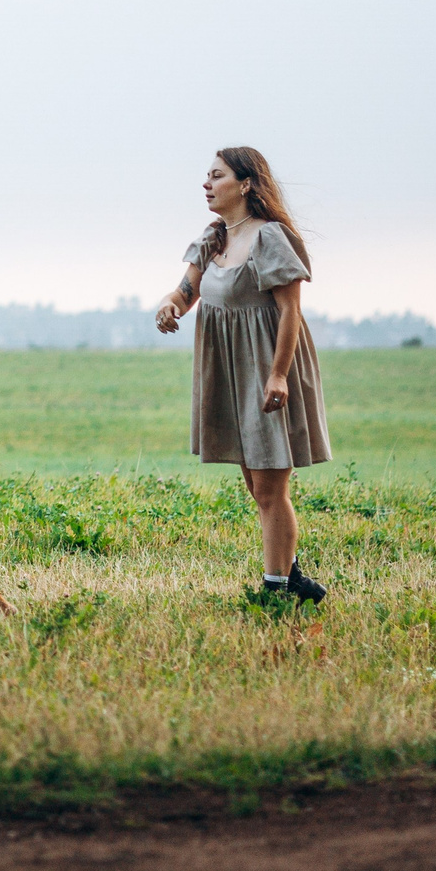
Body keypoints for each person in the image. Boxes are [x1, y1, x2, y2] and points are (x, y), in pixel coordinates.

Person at [155, 146, 331, 602]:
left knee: (271, 485)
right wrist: (169, 305)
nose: (206, 183)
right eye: (207, 176)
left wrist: (278, 375)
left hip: (268, 366)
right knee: (256, 484)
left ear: (246, 183)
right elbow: (185, 292)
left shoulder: (269, 237)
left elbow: (290, 311)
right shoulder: (214, 238)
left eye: (216, 175)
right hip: (229, 371)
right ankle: (290, 576)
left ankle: (276, 591)